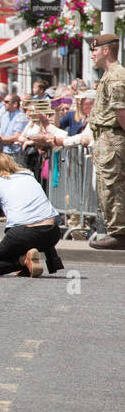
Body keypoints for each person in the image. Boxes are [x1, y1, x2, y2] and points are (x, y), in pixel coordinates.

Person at [0, 154, 64, 276]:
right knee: (23, 239)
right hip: (52, 233)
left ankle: (24, 261)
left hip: (24, 233)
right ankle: (28, 264)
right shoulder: (29, 176)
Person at [86, 33, 125, 250]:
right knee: (106, 185)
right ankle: (117, 231)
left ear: (106, 50)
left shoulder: (116, 75)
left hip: (113, 138)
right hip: (105, 137)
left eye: (95, 50)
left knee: (113, 185)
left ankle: (120, 233)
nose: (92, 54)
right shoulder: (109, 75)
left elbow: (121, 112)